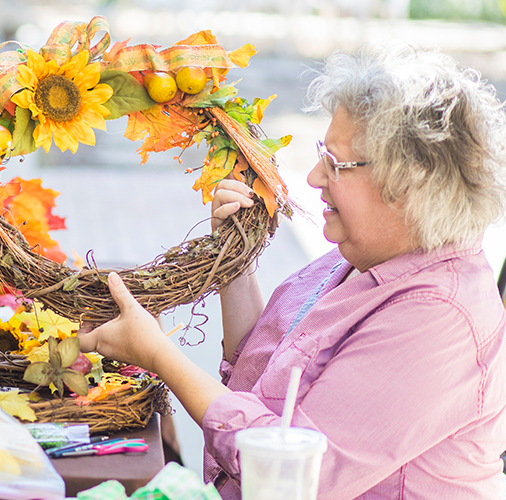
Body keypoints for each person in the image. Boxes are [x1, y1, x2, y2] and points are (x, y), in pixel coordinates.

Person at [80, 42, 506, 498]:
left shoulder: (439, 317)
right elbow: (266, 375)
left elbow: (294, 473)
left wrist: (158, 355)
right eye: (322, 152)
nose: (314, 179)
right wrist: (234, 265)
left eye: (335, 164)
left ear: (407, 185)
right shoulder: (367, 254)